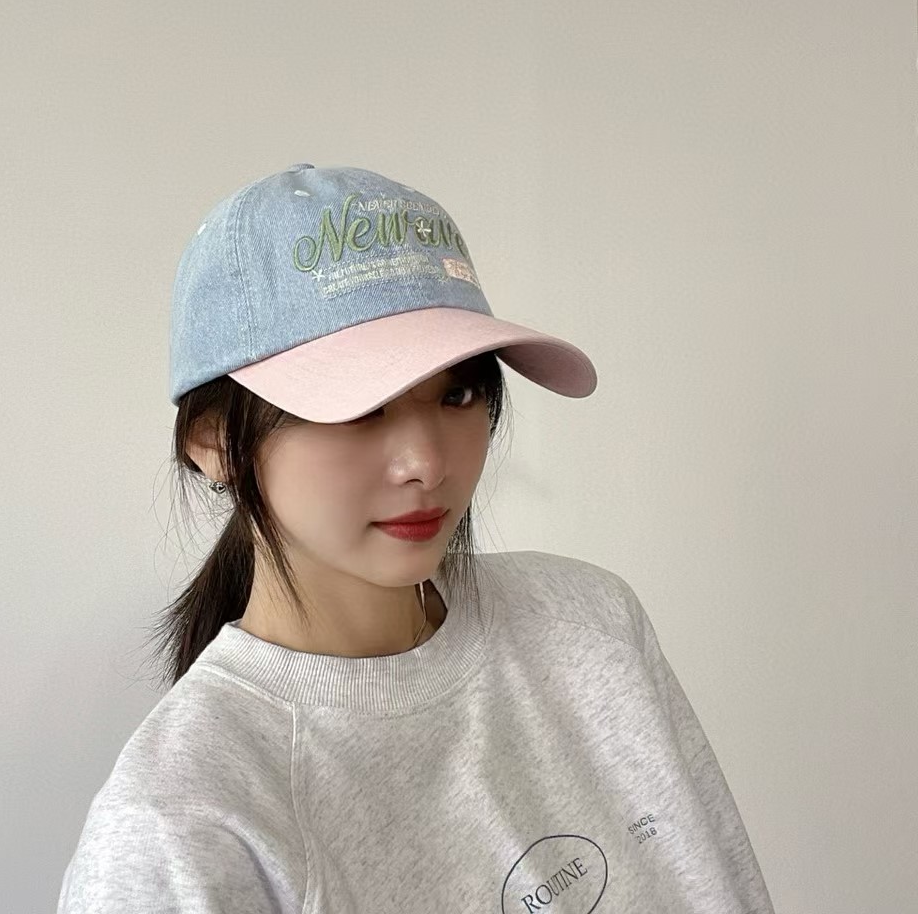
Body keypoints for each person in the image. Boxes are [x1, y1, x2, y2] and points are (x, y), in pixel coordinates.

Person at [56, 163, 776, 912]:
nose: (427, 463)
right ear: (214, 443)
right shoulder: (179, 831)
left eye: (457, 393)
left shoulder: (589, 624)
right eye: (358, 406)